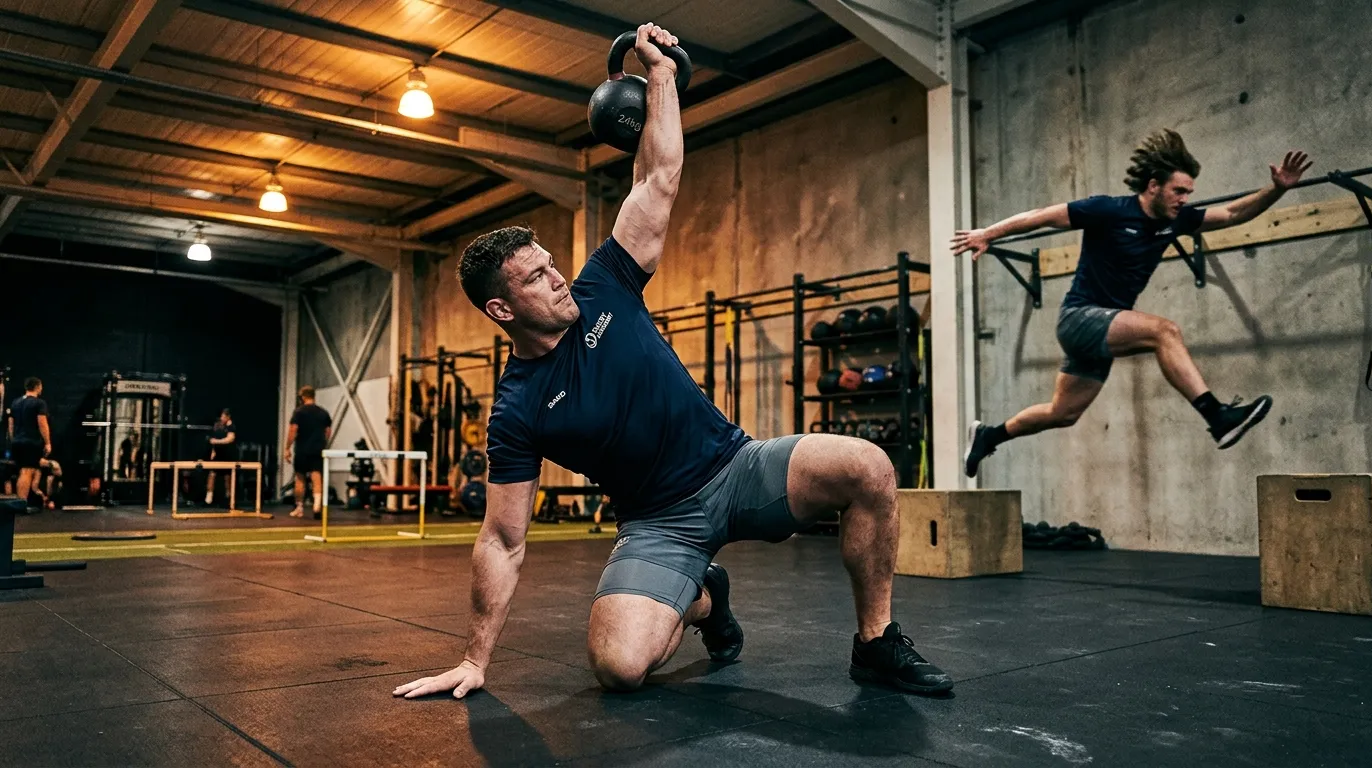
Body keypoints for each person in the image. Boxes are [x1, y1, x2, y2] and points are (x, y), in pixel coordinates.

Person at [393, 23, 952, 703]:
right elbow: (502, 540)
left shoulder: (606, 285)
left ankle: (875, 642)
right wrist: (474, 659)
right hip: (659, 522)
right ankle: (706, 600)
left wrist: (660, 75)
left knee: (868, 465)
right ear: (501, 309)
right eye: (536, 278)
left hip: (738, 468)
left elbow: (657, 180)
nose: (558, 278)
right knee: (619, 667)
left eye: (551, 264)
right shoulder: (517, 411)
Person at [953, 130, 1312, 477]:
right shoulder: (1108, 210)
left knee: (1063, 413)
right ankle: (1216, 416)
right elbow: (1041, 215)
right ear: (1153, 186)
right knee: (1164, 332)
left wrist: (1277, 189)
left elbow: (1233, 214)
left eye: (1188, 192)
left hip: (1102, 329)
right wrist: (988, 233)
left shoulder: (1177, 220)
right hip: (1079, 318)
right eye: (1178, 191)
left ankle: (989, 436)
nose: (1184, 199)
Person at [285, 386, 331, 519]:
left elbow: (293, 430)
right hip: (317, 449)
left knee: (300, 478)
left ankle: (299, 508)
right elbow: (328, 431)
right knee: (317, 477)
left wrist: (287, 448)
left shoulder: (299, 412)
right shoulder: (323, 413)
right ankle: (317, 506)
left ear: (303, 397)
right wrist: (322, 443)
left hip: (302, 449)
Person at [7, 377, 51, 509]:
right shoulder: (39, 403)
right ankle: (21, 503)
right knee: (27, 471)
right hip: (31, 442)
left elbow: (11, 424)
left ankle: (21, 502)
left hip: (17, 441)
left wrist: (14, 439)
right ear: (37, 387)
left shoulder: (15, 402)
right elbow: (42, 423)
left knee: (23, 471)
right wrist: (47, 442)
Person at [205, 408, 238, 506]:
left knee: (227, 477)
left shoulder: (231, 427)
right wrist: (213, 451)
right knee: (212, 474)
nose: (222, 418)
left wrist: (216, 441)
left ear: (228, 417)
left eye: (224, 417)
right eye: (221, 417)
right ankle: (208, 498)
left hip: (228, 455)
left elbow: (230, 439)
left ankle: (229, 498)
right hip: (218, 454)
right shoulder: (219, 426)